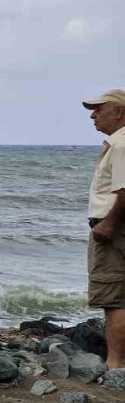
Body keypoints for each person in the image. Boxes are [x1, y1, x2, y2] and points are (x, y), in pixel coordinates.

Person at [82, 89, 125, 369]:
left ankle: (116, 364)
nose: (93, 115)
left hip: (115, 227)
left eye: (99, 109)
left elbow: (124, 189)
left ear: (120, 112)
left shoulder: (121, 144)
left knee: (114, 298)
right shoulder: (117, 143)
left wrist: (108, 223)